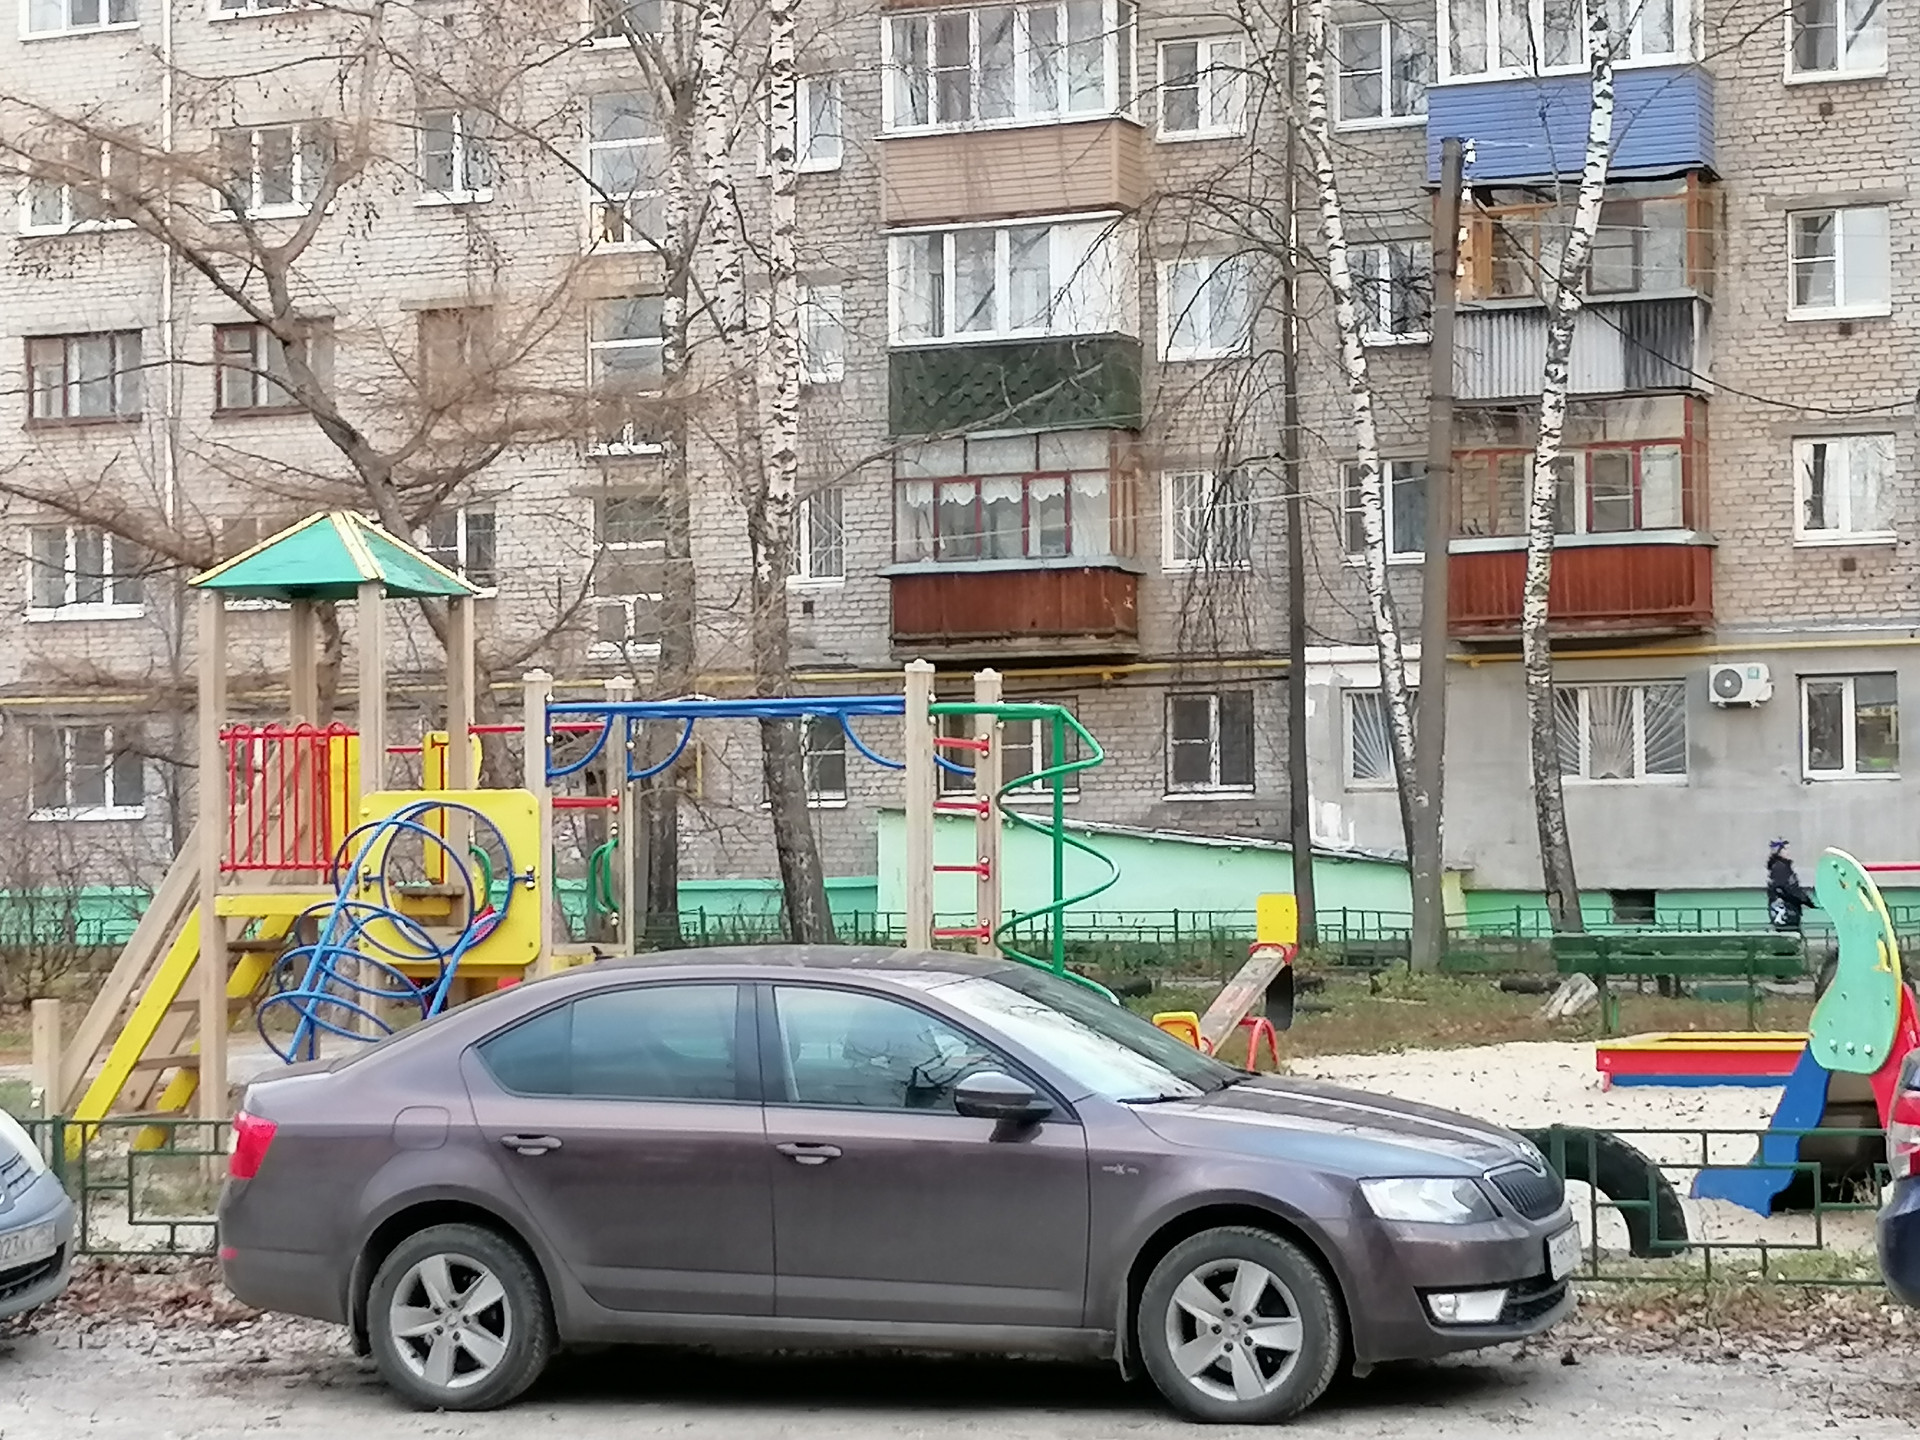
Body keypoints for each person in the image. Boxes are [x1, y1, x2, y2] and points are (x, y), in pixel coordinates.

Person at [1766, 838, 1816, 932]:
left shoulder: (1777, 867)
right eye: (1785, 849)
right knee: (1790, 934)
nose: (1788, 852)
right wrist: (1808, 901)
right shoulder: (1781, 868)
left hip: (1781, 910)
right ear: (1779, 852)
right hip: (1787, 911)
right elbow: (1791, 889)